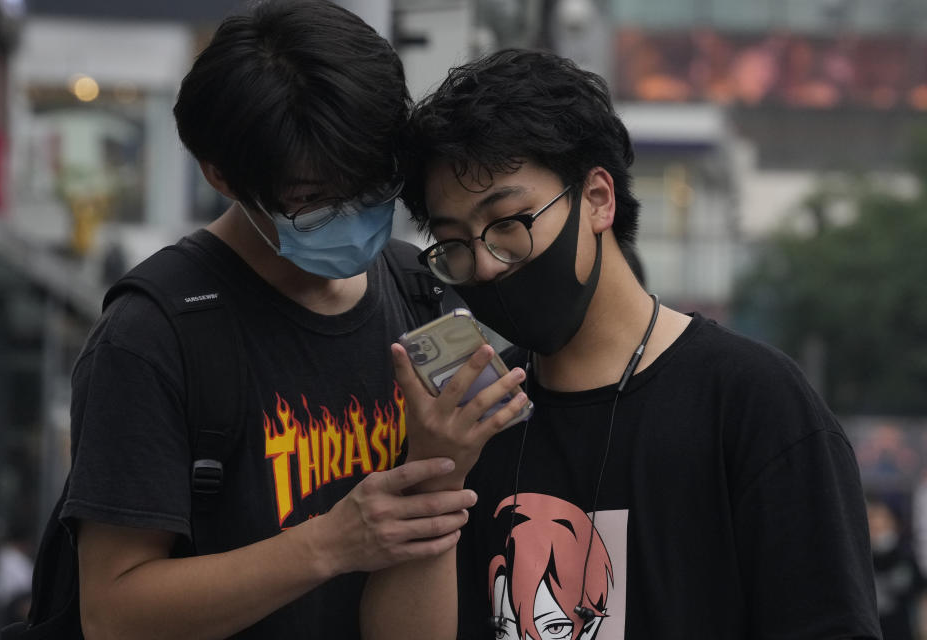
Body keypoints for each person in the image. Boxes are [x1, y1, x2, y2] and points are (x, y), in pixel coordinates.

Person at [362, 49, 881, 639]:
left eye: (509, 222)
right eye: (454, 242)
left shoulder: (752, 403)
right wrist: (438, 475)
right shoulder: (472, 423)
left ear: (599, 199)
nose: (484, 264)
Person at [62, 2, 477, 638]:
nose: (356, 214)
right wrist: (331, 544)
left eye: (373, 184)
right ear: (221, 176)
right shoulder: (153, 336)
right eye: (312, 202)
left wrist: (443, 474)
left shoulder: (424, 293)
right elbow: (113, 613)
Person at [867, 496, 926, 640]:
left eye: (882, 526)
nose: (879, 533)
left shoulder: (906, 559)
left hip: (902, 632)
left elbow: (921, 596)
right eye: (873, 528)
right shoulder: (862, 563)